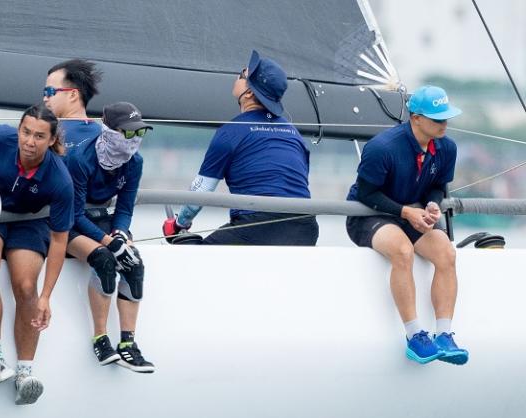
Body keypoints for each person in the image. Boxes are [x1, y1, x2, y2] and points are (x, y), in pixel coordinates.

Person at [0, 105, 75, 405]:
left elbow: (59, 241)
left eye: (38, 136)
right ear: (18, 129)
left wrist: (46, 296)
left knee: (25, 287)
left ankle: (25, 372)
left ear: (51, 140)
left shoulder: (60, 179)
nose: (29, 141)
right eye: (25, 132)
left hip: (28, 222)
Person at [345, 85, 467, 365]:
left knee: (446, 253)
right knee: (402, 251)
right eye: (438, 119)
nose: (444, 124)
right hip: (368, 214)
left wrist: (433, 205)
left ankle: (444, 335)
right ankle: (414, 337)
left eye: (446, 118)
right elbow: (366, 194)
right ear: (416, 118)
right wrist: (405, 212)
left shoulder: (447, 147)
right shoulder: (382, 147)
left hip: (412, 213)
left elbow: (436, 186)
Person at [162, 50, 318, 246]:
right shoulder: (294, 133)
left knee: (192, 256)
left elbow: (201, 191)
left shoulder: (231, 132)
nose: (237, 75)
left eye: (242, 74)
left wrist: (178, 224)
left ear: (249, 92)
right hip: (306, 228)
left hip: (258, 227)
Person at [66, 102, 154, 373]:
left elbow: (125, 208)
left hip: (101, 221)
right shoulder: (80, 159)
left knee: (133, 263)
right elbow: (75, 213)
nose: (135, 140)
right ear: (109, 131)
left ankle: (128, 344)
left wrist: (120, 234)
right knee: (104, 260)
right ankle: (101, 339)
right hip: (69, 221)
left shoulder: (135, 162)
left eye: (140, 133)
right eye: (128, 133)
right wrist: (108, 242)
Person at [43, 58, 104, 149]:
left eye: (50, 91)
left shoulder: (48, 137)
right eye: (45, 93)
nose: (45, 98)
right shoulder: (104, 137)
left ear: (72, 95)